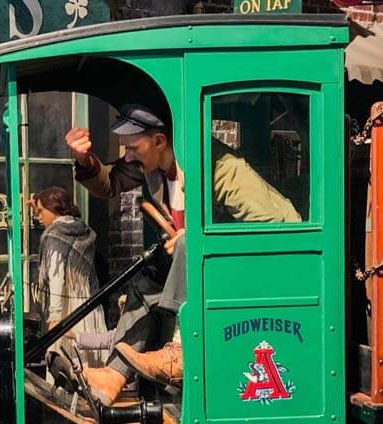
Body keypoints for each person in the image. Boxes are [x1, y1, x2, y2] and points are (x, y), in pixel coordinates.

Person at [67, 104, 298, 405]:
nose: (128, 156)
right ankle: (114, 375)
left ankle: (179, 352)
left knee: (190, 245)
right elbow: (109, 182)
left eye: (134, 148)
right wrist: (83, 159)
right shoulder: (147, 165)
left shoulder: (221, 167)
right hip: (200, 273)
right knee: (145, 277)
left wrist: (200, 237)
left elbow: (281, 226)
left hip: (248, 272)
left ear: (160, 141)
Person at [29, 186, 107, 351]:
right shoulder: (83, 230)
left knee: (68, 363)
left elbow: (56, 276)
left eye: (41, 211)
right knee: (91, 365)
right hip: (88, 304)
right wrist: (38, 204)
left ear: (52, 209)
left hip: (67, 309)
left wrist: (55, 317)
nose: (38, 217)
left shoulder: (55, 235)